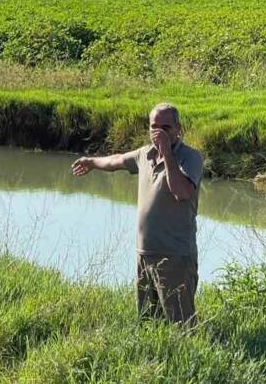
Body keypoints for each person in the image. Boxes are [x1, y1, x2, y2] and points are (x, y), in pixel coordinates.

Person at [71, 102, 204, 325]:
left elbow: (181, 192)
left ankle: (189, 358)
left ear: (178, 129)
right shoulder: (144, 155)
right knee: (147, 323)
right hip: (144, 254)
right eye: (154, 127)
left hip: (174, 257)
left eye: (166, 128)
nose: (158, 133)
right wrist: (92, 162)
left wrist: (167, 154)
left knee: (182, 326)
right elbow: (116, 161)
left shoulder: (190, 157)